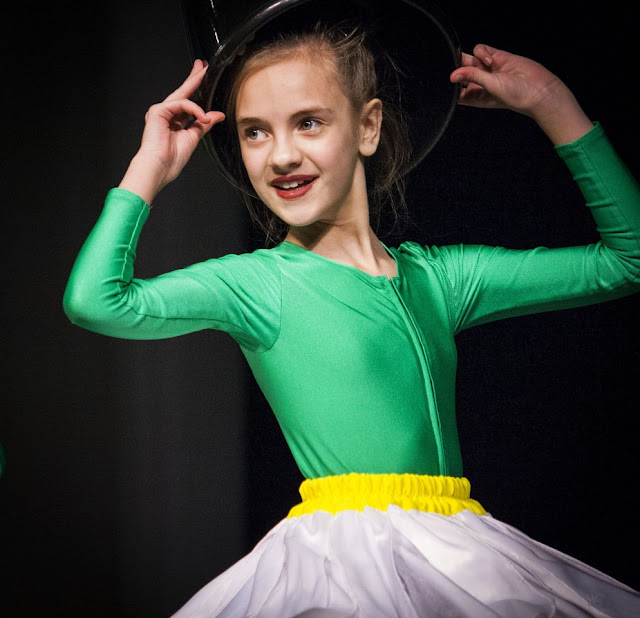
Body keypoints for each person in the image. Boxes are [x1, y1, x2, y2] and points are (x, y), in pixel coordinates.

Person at [63, 18, 640, 618]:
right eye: (255, 132)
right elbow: (96, 301)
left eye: (309, 122)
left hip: (459, 550)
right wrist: (149, 168)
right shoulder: (258, 284)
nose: (282, 155)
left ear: (368, 126)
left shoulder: (440, 279)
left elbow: (629, 260)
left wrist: (551, 102)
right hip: (345, 565)